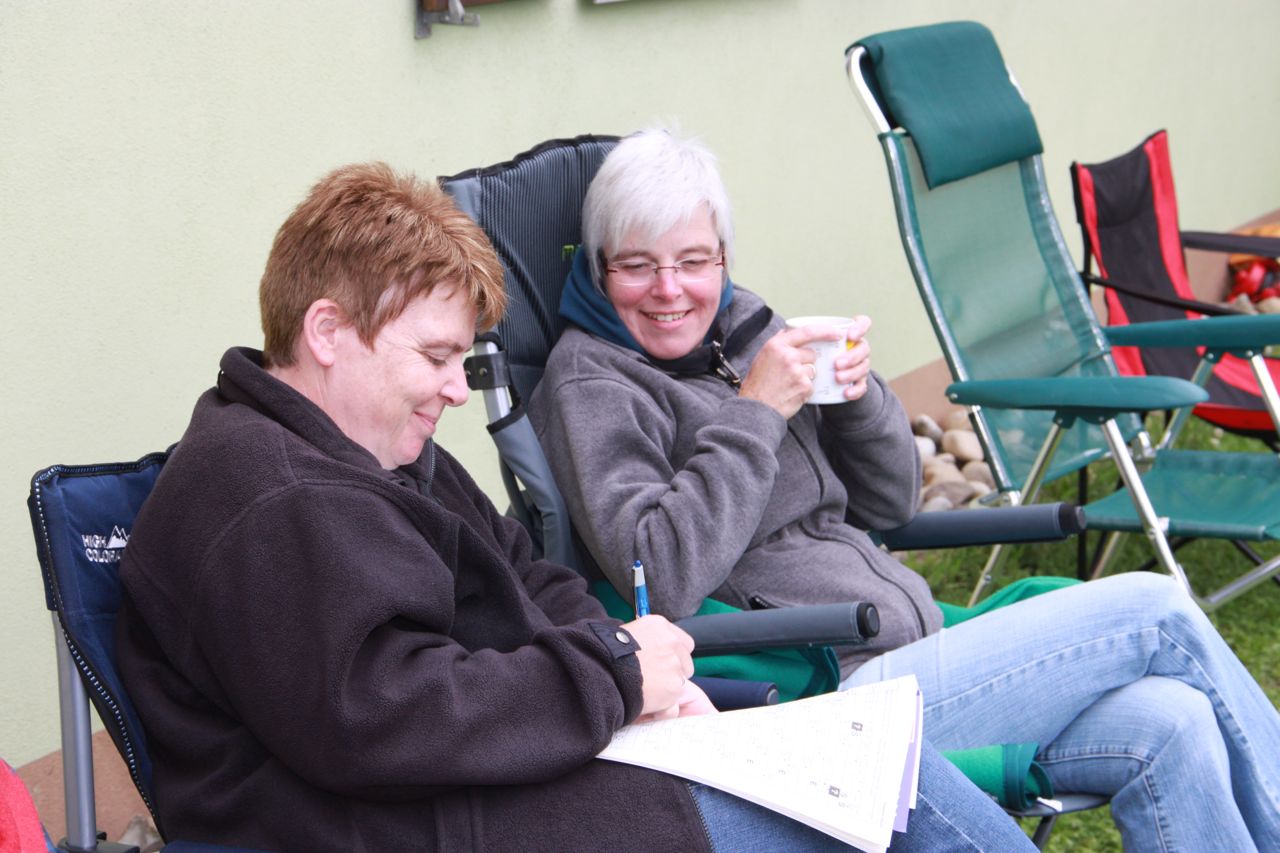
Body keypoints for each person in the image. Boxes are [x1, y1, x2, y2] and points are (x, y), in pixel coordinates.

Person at [115, 161, 1038, 852]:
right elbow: (383, 716)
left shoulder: (373, 450)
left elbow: (526, 572)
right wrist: (612, 678)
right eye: (435, 357)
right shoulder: (271, 497)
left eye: (462, 361)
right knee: (881, 788)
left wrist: (626, 667)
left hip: (509, 782)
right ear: (326, 331)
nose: (454, 390)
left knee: (878, 774)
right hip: (413, 824)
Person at [527, 128, 1280, 853]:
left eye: (693, 261)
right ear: (599, 266)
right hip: (822, 695)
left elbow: (890, 505)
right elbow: (656, 574)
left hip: (908, 641)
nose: (670, 289)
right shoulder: (591, 382)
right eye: (638, 266)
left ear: (722, 256)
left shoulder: (743, 325)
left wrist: (859, 399)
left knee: (1172, 720)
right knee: (1155, 609)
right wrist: (755, 412)